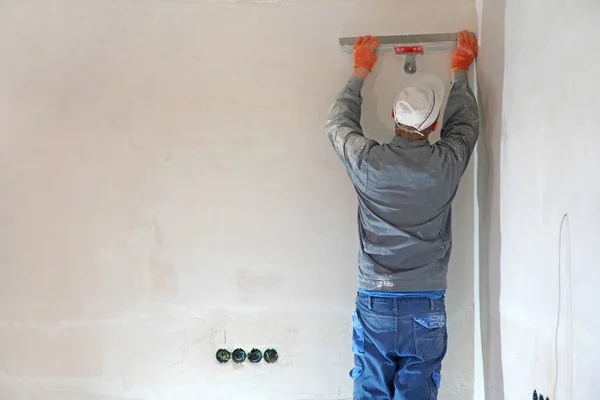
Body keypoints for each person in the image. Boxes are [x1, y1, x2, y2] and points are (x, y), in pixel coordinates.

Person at [324, 31, 479, 399]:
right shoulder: (446, 163)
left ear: (394, 115)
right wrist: (460, 70)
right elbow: (465, 126)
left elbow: (337, 125)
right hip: (426, 302)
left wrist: (360, 69)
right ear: (433, 124)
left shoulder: (368, 163)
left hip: (375, 299)